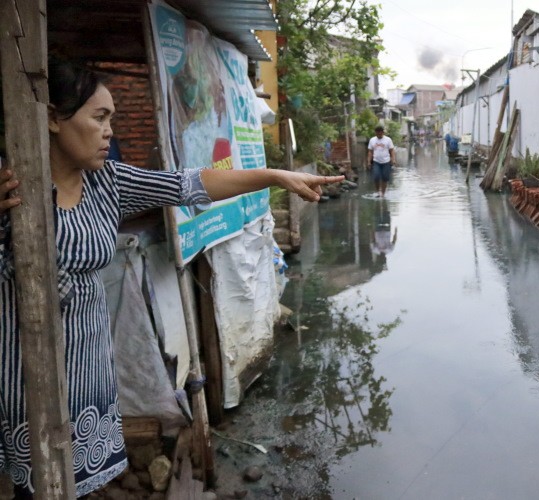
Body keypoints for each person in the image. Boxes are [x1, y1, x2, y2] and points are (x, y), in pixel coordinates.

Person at [0, 59, 343, 497]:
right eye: (99, 117)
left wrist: (275, 176)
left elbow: (190, 184)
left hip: (90, 363)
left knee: (76, 483)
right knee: (36, 484)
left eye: (113, 119)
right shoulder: (13, 184)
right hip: (26, 369)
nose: (109, 131)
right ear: (51, 118)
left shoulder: (107, 181)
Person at [366, 125, 395, 197]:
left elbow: (391, 151)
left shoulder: (388, 140)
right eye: (377, 132)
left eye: (380, 132)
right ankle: (378, 191)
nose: (379, 134)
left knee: (385, 178)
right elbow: (370, 152)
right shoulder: (372, 140)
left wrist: (393, 159)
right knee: (376, 177)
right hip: (376, 162)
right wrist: (369, 162)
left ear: (383, 132)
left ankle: (383, 193)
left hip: (386, 162)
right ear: (375, 132)